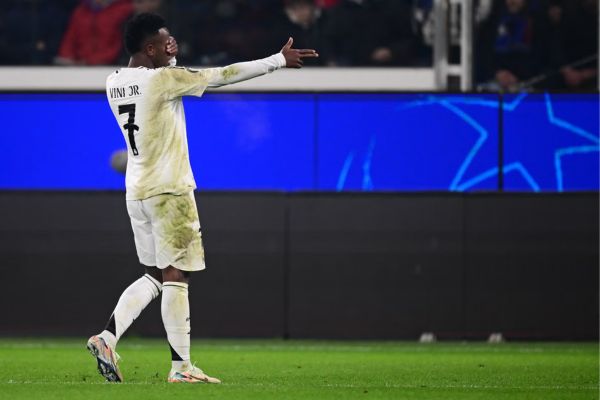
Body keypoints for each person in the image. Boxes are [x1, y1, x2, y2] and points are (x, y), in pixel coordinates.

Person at [86, 12, 317, 384]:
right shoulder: (164, 79)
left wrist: (169, 57)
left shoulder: (114, 81)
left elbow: (156, 80)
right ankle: (181, 368)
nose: (172, 46)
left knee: (154, 273)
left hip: (137, 191)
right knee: (178, 273)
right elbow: (222, 75)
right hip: (169, 189)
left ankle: (107, 337)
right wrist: (277, 61)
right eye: (165, 42)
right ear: (149, 48)